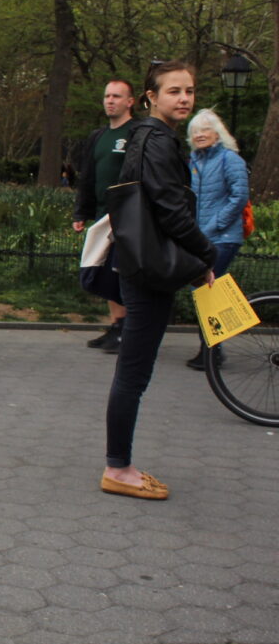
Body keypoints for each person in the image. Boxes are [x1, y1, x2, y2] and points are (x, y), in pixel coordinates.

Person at [100, 61, 216, 501]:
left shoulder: (149, 137)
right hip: (148, 267)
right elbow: (169, 207)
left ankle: (120, 463)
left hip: (141, 261)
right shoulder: (157, 140)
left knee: (134, 368)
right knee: (133, 371)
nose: (184, 98)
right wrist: (205, 252)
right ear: (151, 96)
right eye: (173, 91)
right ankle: (119, 468)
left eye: (189, 90)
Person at [184, 107, 249, 370]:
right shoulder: (193, 161)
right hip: (201, 236)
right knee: (206, 289)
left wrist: (214, 224)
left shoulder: (230, 160)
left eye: (205, 130)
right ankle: (211, 348)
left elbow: (239, 197)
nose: (200, 135)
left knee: (205, 288)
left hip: (223, 237)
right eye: (195, 131)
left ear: (217, 133)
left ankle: (213, 350)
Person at [73, 79, 135, 353]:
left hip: (126, 217)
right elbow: (88, 176)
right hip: (100, 216)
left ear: (130, 101)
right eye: (107, 96)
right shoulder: (98, 136)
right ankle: (116, 325)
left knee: (118, 272)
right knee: (100, 271)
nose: (110, 100)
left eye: (117, 96)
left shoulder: (136, 132)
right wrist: (82, 211)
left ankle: (127, 328)